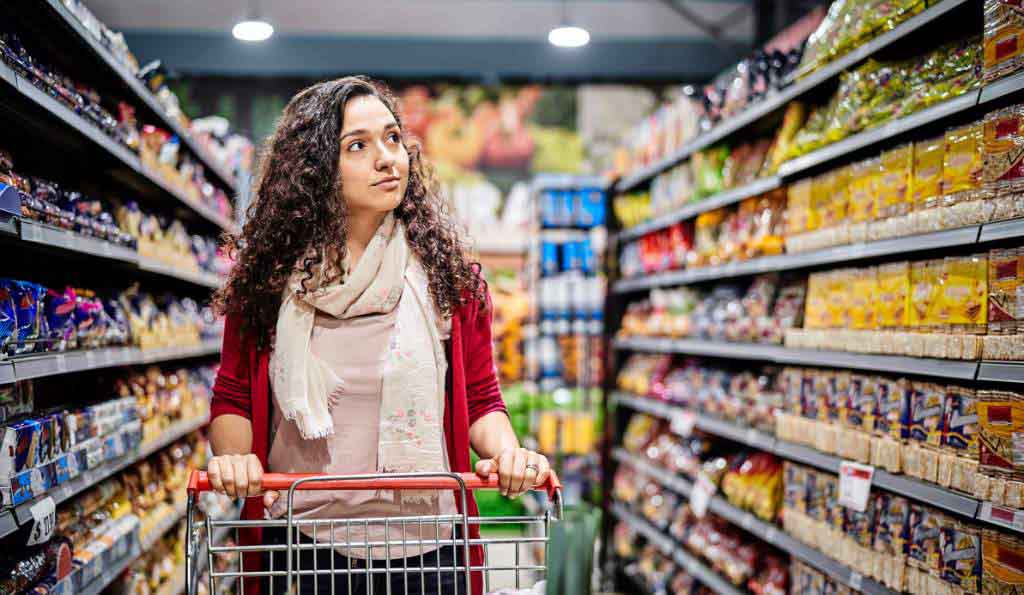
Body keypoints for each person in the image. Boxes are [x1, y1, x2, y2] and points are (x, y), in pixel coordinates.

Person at [206, 75, 550, 595]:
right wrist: (235, 458)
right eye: (358, 146)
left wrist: (508, 452)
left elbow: (481, 399)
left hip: (429, 548)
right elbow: (233, 396)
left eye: (393, 139)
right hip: (302, 547)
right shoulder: (268, 286)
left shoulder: (448, 280)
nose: (388, 158)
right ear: (315, 170)